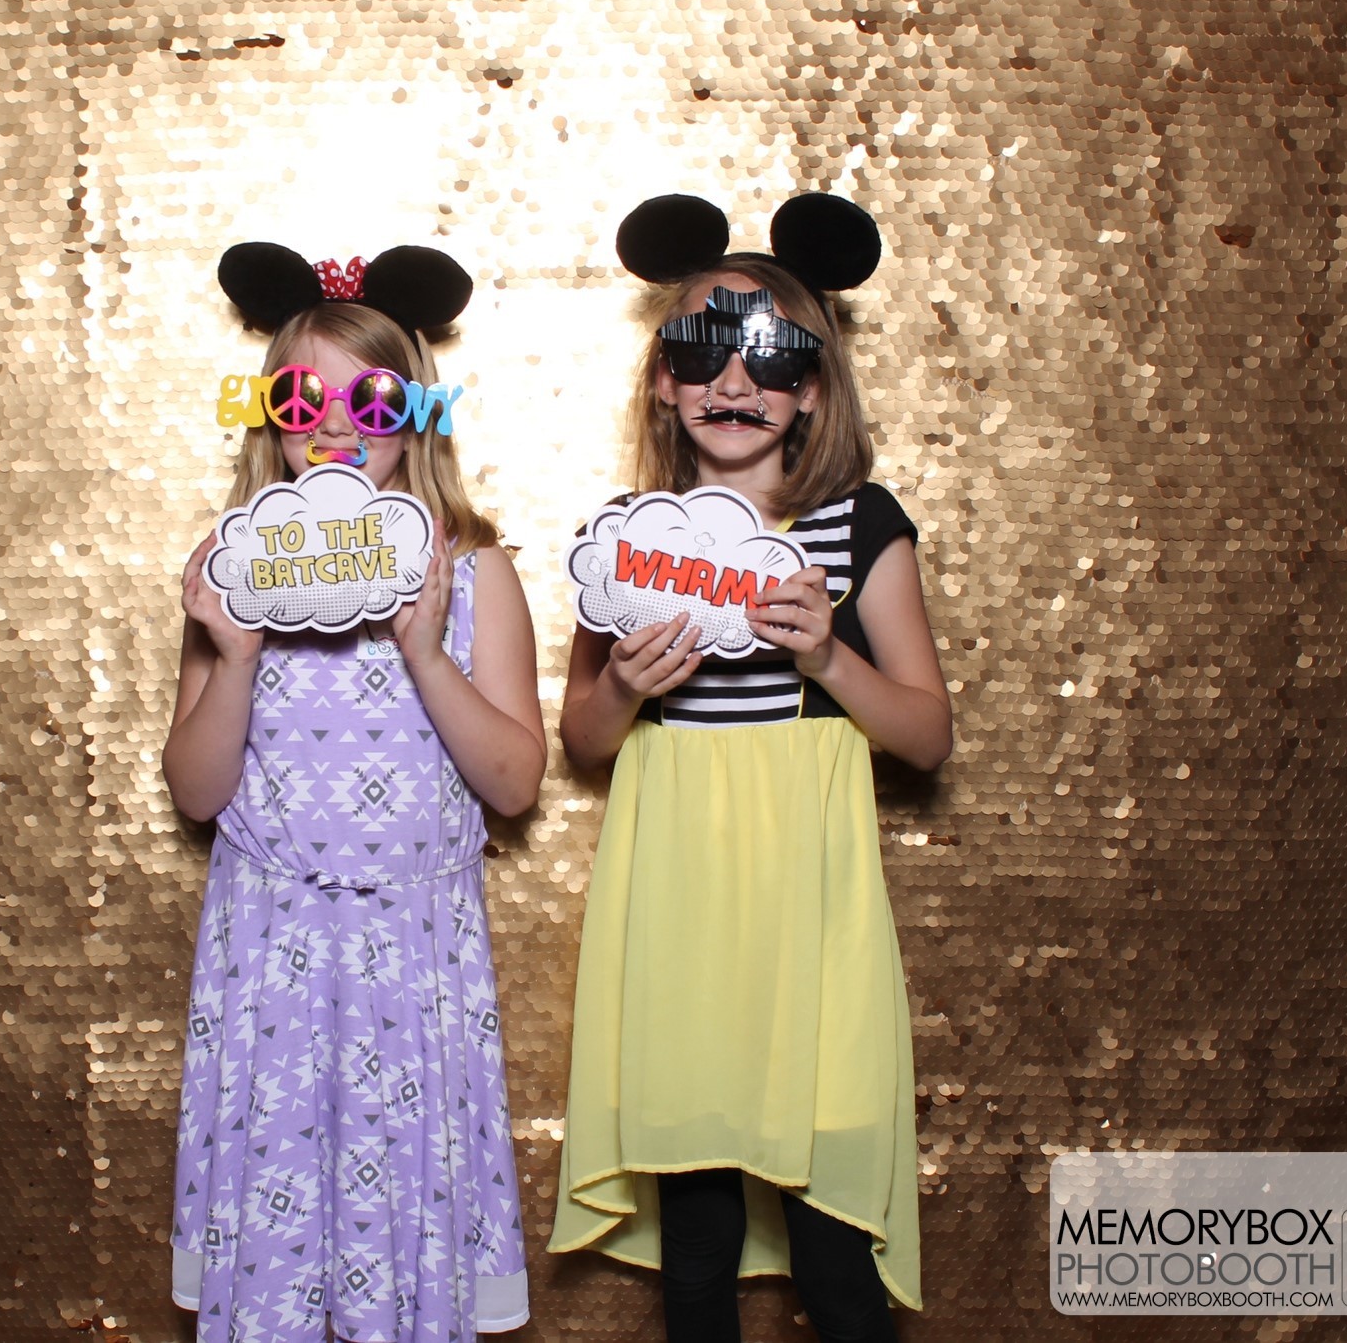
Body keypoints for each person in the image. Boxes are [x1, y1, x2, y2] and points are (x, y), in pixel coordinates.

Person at [549, 195, 951, 1343]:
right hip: (680, 920)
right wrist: (624, 687)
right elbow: (582, 737)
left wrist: (827, 656)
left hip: (810, 922)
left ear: (811, 387)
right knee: (696, 1255)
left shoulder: (856, 525)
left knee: (832, 1257)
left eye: (768, 356)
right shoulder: (630, 538)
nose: (732, 379)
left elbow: (926, 736)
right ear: (663, 383)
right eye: (700, 350)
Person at [163, 241, 545, 1343]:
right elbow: (195, 791)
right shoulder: (234, 568)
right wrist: (233, 656)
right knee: (276, 1246)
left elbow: (515, 782)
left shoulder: (473, 569)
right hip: (270, 945)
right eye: (301, 399)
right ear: (269, 419)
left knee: (403, 1240)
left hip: (412, 954)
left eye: (369, 399)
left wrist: (424, 649)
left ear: (415, 414)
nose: (334, 423)